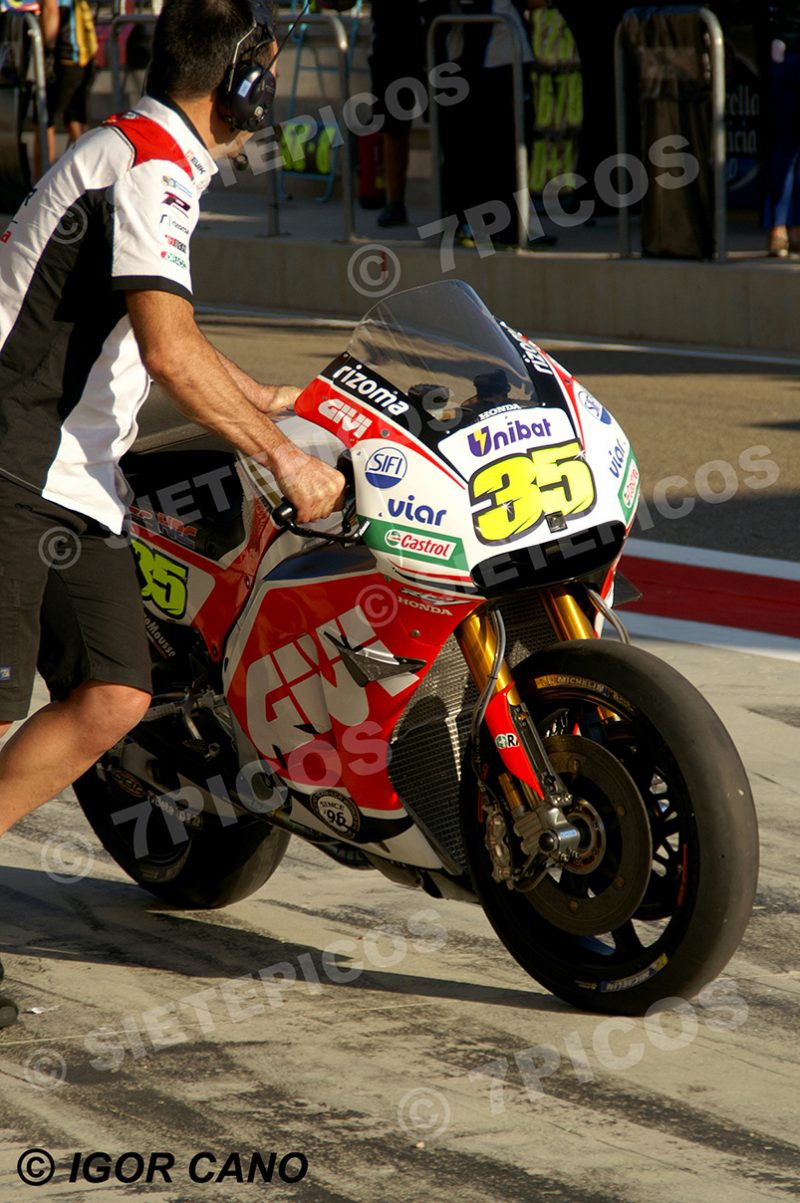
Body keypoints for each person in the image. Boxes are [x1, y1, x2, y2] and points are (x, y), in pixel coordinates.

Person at [0, 0, 345, 1029]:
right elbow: (166, 351)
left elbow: (167, 335)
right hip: (12, 463)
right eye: (267, 72)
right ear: (234, 80)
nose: (272, 93)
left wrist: (268, 400)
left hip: (70, 477)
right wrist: (280, 454)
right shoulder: (147, 160)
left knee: (111, 693)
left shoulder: (145, 154)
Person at [439, 0, 536, 248]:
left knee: (509, 147)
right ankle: (468, 225)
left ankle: (512, 225)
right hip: (471, 63)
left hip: (506, 57)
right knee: (473, 148)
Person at [40, 0, 98, 167]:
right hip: (84, 57)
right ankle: (86, 174)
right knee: (75, 116)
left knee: (45, 119)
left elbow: (50, 9)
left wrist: (46, 50)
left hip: (65, 58)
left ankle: (42, 178)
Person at [764, 1, 800, 256]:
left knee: (786, 147)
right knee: (786, 147)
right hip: (788, 54)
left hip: (783, 54)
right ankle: (782, 227)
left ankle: (786, 229)